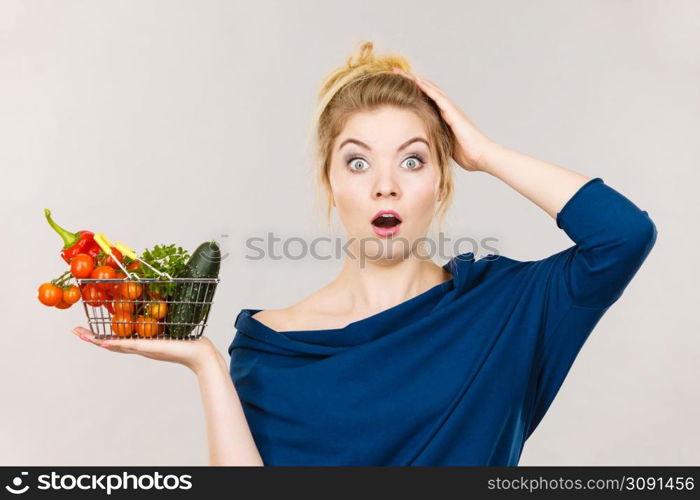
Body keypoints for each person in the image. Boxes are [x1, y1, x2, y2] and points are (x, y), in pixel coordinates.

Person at [73, 41, 657, 466]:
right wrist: (206, 364)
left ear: (442, 182)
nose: (385, 185)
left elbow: (623, 236)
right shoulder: (270, 345)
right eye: (357, 161)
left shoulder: (507, 306)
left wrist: (483, 153)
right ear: (331, 185)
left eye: (412, 160)